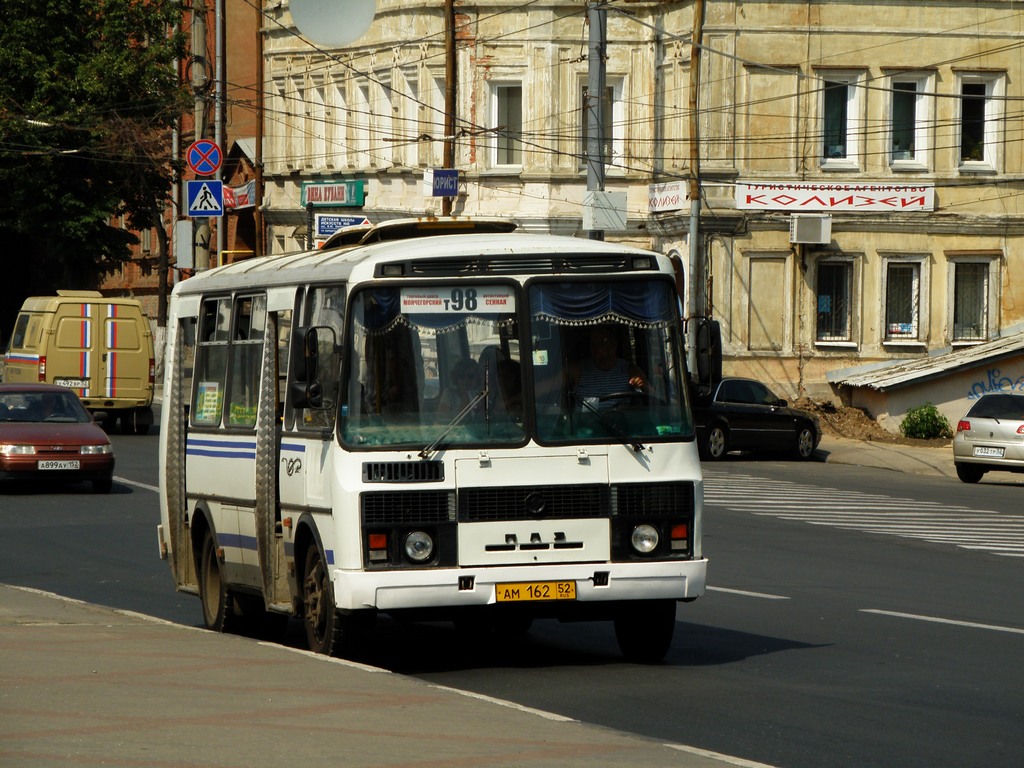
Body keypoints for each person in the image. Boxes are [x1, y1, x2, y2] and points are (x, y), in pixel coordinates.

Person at [568, 326, 649, 403]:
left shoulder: (629, 370)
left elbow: (653, 398)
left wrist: (641, 386)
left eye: (602, 341)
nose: (595, 346)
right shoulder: (578, 370)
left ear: (613, 345)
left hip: (620, 416)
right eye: (593, 342)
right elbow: (555, 385)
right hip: (587, 417)